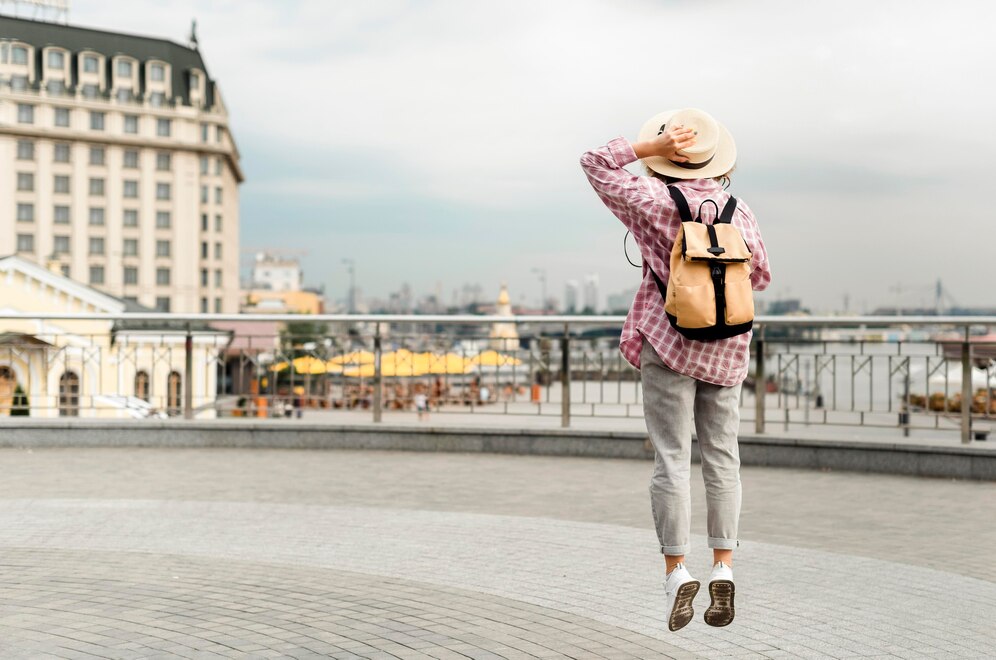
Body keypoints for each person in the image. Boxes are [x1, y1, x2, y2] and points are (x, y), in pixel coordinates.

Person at [580, 108, 772, 632]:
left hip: (668, 343)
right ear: (714, 159)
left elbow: (594, 163)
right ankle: (724, 568)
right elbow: (761, 274)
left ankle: (676, 572)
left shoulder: (652, 200)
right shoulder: (739, 209)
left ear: (669, 156)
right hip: (727, 348)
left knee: (671, 458)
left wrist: (647, 151)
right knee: (722, 458)